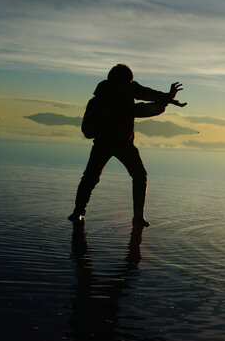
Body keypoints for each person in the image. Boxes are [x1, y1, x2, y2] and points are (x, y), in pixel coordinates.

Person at [68, 64, 185, 227]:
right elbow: (87, 130)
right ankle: (79, 211)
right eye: (128, 83)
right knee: (91, 177)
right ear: (118, 82)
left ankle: (137, 217)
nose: (131, 86)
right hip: (105, 144)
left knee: (137, 176)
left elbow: (144, 96)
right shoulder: (99, 101)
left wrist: (166, 98)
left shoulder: (125, 93)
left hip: (123, 144)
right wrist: (165, 100)